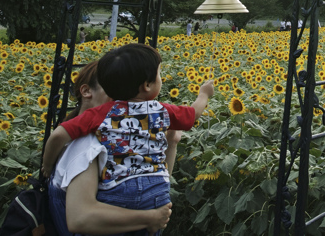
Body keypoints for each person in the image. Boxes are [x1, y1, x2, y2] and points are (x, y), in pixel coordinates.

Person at [42, 44, 213, 225]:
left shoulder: (102, 116)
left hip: (118, 191)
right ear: (147, 85)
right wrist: (204, 94)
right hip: (157, 189)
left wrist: (47, 164)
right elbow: (193, 114)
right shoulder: (160, 110)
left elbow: (58, 135)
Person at [47, 61, 174, 235]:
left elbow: (152, 187)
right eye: (113, 90)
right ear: (86, 91)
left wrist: (172, 140)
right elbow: (81, 218)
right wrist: (150, 218)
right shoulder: (87, 144)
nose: (123, 98)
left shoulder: (111, 137)